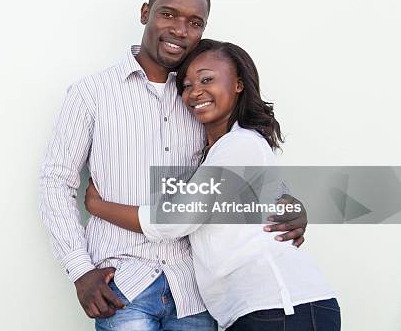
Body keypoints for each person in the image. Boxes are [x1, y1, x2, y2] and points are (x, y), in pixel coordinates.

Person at [39, 0, 307, 331]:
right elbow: (56, 182)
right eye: (169, 14)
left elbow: (241, 171)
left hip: (194, 291)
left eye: (194, 23)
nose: (180, 30)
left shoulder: (202, 98)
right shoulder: (93, 93)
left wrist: (289, 204)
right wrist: (80, 270)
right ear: (146, 13)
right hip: (123, 283)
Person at [84, 39, 341, 330]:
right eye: (187, 85)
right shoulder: (222, 152)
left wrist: (97, 205)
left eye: (207, 79)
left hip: (280, 306)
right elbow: (275, 195)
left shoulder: (240, 144)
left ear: (239, 85)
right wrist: (293, 203)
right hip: (256, 311)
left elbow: (173, 220)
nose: (195, 92)